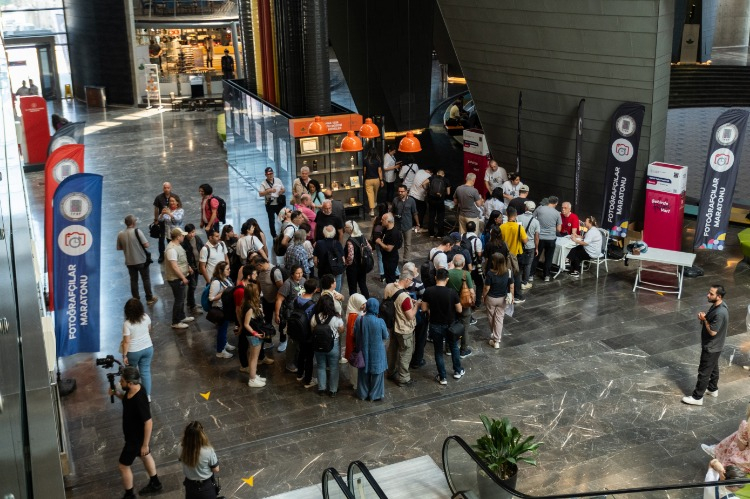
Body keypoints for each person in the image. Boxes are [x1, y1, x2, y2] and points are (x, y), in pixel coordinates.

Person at [109, 366, 163, 498]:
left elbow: (148, 422)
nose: (120, 383)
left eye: (122, 381)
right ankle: (155, 482)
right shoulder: (131, 390)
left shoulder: (139, 399)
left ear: (130, 383)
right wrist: (117, 394)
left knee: (123, 466)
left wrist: (145, 444)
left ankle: (129, 495)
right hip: (133, 436)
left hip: (135, 439)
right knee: (145, 456)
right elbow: (127, 401)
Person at [682, 285, 729, 406]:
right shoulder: (719, 305)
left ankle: (697, 397)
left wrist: (705, 320)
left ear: (719, 296)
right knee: (713, 367)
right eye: (709, 292)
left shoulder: (720, 312)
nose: (708, 295)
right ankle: (713, 389)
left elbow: (713, 331)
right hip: (715, 346)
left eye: (711, 294)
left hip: (711, 346)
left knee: (704, 371)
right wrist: (704, 318)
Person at [421, 268, 464, 385]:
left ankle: (443, 376)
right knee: (454, 347)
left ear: (435, 278)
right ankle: (457, 371)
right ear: (447, 279)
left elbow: (424, 308)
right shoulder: (452, 292)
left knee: (438, 351)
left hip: (435, 325)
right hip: (450, 326)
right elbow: (459, 309)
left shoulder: (428, 291)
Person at [384, 270, 418, 387]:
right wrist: (416, 305)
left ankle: (390, 371)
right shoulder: (404, 297)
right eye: (411, 281)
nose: (411, 284)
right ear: (407, 279)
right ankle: (403, 378)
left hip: (393, 325)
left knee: (392, 349)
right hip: (404, 329)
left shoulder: (389, 287)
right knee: (406, 352)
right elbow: (410, 316)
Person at [117, 215, 157, 305]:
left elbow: (119, 248)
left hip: (129, 261)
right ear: (133, 222)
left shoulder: (120, 233)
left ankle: (136, 300)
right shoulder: (137, 231)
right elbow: (146, 245)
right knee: (146, 279)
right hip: (141, 260)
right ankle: (149, 299)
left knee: (133, 281)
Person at [355, 298, 389, 401]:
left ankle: (362, 394)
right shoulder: (380, 321)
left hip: (363, 351)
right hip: (377, 352)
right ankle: (375, 395)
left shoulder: (359, 319)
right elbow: (386, 335)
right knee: (377, 375)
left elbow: (356, 334)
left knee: (363, 374)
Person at [120, 298, 155, 400]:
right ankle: (147, 396)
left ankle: (133, 394)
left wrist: (124, 355)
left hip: (133, 351)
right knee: (145, 372)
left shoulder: (127, 323)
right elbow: (149, 329)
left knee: (132, 374)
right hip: (148, 348)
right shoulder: (146, 317)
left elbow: (126, 342)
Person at [701, 404, 750, 474]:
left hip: (745, 462)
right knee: (739, 434)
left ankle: (718, 452)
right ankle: (717, 450)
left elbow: (741, 447)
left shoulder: (746, 426)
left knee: (738, 438)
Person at [311, 294, 345, 397]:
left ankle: (322, 388)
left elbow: (312, 329)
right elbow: (342, 330)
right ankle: (333, 390)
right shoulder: (336, 318)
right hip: (332, 345)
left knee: (321, 366)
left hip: (318, 345)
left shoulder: (315, 317)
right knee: (334, 367)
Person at [275, 265, 306, 373]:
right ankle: (289, 363)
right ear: (292, 274)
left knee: (299, 339)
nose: (300, 275)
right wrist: (277, 314)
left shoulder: (303, 280)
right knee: (292, 340)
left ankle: (297, 359)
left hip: (301, 314)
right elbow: (279, 299)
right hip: (291, 315)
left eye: (301, 273)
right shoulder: (287, 284)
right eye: (297, 273)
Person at [178, 421, 220, 499]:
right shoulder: (208, 450)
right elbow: (216, 469)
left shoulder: (181, 447)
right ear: (202, 435)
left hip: (190, 486)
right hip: (206, 487)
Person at [165, 228, 195, 329]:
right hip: (176, 279)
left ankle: (181, 316)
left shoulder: (178, 246)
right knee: (179, 300)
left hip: (181, 277)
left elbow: (181, 260)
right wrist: (183, 278)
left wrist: (188, 267)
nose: (184, 237)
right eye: (182, 235)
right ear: (178, 237)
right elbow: (174, 266)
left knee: (182, 298)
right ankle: (175, 321)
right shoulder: (171, 249)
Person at [292, 278, 318, 389]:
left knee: (301, 353)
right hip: (308, 333)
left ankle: (299, 374)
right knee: (309, 356)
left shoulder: (297, 299)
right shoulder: (313, 304)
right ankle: (308, 380)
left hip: (298, 331)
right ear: (315, 290)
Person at [483, 252, 513, 348]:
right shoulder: (508, 272)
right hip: (503, 299)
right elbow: (511, 286)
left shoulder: (490, 273)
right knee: (499, 318)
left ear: (494, 262)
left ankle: (494, 335)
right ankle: (497, 340)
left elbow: (486, 288)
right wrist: (511, 296)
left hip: (491, 298)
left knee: (491, 317)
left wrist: (484, 296)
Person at [447, 254, 475, 358]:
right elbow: (471, 291)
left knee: (450, 326)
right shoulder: (466, 274)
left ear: (453, 263)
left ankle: (449, 348)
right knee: (465, 328)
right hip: (464, 305)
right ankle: (463, 350)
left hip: (451, 305)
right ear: (463, 264)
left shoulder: (448, 273)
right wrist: (473, 301)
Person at [241, 284, 267, 388]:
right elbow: (246, 324)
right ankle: (252, 379)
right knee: (254, 358)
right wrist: (255, 333)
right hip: (254, 336)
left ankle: (254, 375)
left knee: (253, 356)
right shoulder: (250, 307)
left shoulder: (250, 304)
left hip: (255, 334)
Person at [499, 206, 527, 303]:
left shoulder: (502, 227)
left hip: (505, 254)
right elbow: (525, 240)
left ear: (507, 214)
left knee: (505, 274)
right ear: (516, 215)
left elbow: (499, 241)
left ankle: (506, 293)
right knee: (517, 275)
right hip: (517, 255)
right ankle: (517, 296)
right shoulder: (519, 227)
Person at [208, 262, 236, 359]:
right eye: (227, 269)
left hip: (227, 308)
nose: (229, 270)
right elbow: (211, 298)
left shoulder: (226, 279)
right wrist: (223, 293)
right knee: (222, 330)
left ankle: (224, 343)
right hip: (220, 308)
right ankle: (220, 350)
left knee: (225, 329)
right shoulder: (216, 282)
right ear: (221, 271)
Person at [402, 262, 427, 369]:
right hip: (418, 315)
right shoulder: (418, 283)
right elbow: (424, 298)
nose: (417, 268)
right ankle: (417, 360)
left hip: (404, 316)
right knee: (420, 337)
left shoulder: (400, 282)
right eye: (415, 268)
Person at [533, 196, 562, 282]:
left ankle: (531, 274)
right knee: (548, 258)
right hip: (551, 239)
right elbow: (559, 229)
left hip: (540, 237)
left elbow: (533, 219)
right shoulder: (557, 213)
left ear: (548, 201)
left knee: (536, 256)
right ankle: (546, 276)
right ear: (556, 203)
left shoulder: (540, 208)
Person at [344, 293, 367, 390]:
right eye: (362, 304)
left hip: (351, 346)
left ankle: (354, 382)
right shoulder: (355, 317)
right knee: (356, 367)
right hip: (355, 347)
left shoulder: (351, 313)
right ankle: (357, 384)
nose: (364, 306)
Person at [344, 220, 371, 298]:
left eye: (346, 227)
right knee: (363, 285)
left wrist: (346, 263)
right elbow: (369, 248)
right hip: (363, 265)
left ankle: (354, 303)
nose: (345, 228)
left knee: (353, 288)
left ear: (351, 229)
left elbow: (350, 256)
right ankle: (367, 301)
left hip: (353, 268)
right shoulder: (363, 237)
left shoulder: (350, 241)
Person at [313, 225, 345, 291]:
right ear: (334, 234)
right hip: (336, 270)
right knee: (337, 291)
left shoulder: (319, 243)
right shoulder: (337, 243)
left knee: (325, 291)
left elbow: (315, 260)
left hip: (323, 270)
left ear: (324, 233)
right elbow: (343, 260)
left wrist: (318, 266)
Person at [181, 224, 204, 315]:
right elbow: (183, 257)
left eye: (193, 232)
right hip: (190, 268)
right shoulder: (184, 242)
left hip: (197, 266)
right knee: (192, 286)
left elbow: (202, 248)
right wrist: (188, 266)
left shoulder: (197, 238)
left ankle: (190, 302)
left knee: (193, 285)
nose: (192, 234)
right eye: (190, 233)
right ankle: (192, 306)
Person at [392, 185, 420, 259]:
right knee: (396, 243)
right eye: (399, 191)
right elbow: (392, 212)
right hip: (397, 225)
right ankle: (395, 258)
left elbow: (415, 213)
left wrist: (417, 224)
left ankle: (406, 260)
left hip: (407, 225)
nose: (400, 193)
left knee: (407, 244)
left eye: (402, 191)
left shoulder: (411, 201)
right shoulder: (395, 200)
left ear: (406, 192)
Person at [517, 201, 540, 288]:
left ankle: (517, 282)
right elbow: (536, 237)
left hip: (519, 245)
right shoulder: (536, 222)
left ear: (526, 208)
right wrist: (536, 248)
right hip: (530, 246)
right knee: (528, 265)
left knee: (519, 264)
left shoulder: (518, 218)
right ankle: (525, 283)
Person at [374, 213, 402, 284]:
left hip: (391, 259)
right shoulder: (386, 229)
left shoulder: (393, 233)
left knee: (390, 279)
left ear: (388, 221)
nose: (381, 221)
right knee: (388, 277)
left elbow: (389, 248)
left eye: (383, 220)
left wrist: (380, 242)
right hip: (386, 257)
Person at [152, 182, 177, 263]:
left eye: (168, 187)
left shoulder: (174, 197)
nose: (166, 189)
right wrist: (156, 219)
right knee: (161, 239)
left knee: (170, 239)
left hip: (171, 222)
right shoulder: (158, 197)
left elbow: (178, 207)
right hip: (162, 222)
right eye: (165, 188)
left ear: (171, 188)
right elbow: (156, 209)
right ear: (163, 188)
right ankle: (161, 256)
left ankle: (171, 255)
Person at [258, 167, 286, 238]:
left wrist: (281, 191)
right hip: (270, 203)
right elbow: (260, 194)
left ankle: (285, 231)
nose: (270, 176)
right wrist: (268, 191)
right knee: (271, 220)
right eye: (268, 174)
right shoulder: (263, 183)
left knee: (283, 218)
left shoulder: (278, 180)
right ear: (266, 175)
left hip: (278, 202)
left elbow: (283, 189)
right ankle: (274, 235)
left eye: (271, 174)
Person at [426, 169, 451, 238]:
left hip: (431, 200)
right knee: (440, 218)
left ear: (437, 173)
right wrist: (442, 194)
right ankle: (440, 234)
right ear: (443, 175)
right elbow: (448, 193)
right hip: (440, 201)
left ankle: (431, 233)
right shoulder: (446, 180)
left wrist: (428, 191)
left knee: (431, 217)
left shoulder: (432, 178)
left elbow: (423, 184)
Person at [363, 147, 383, 216]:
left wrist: (364, 177)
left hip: (368, 180)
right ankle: (374, 203)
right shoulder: (378, 160)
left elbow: (364, 171)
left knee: (370, 195)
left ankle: (372, 210)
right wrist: (381, 180)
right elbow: (379, 171)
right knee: (375, 193)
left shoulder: (365, 160)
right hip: (376, 179)